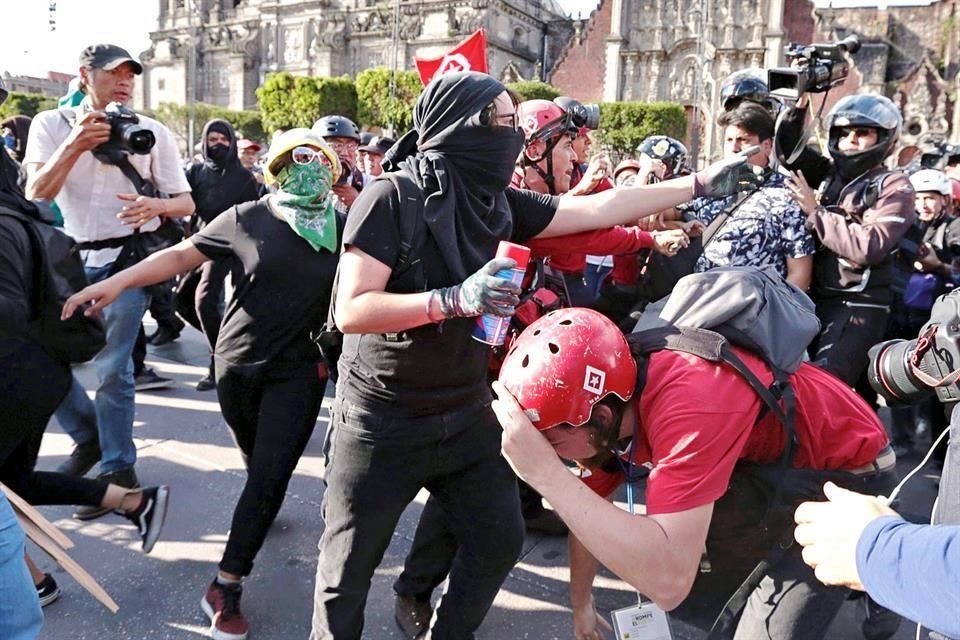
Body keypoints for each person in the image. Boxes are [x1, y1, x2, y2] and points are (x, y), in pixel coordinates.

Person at [310, 70, 763, 640]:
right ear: (462, 127)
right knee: (345, 575)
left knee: (498, 540)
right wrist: (452, 299)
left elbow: (601, 210)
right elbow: (351, 310)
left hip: (467, 408)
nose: (512, 139)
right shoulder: (391, 197)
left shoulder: (498, 202)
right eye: (501, 123)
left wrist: (698, 183)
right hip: (381, 418)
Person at [63, 129, 343, 640]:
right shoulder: (247, 217)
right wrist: (115, 282)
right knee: (256, 459)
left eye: (319, 161)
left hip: (298, 372)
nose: (308, 171)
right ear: (276, 169)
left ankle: (225, 583)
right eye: (295, 161)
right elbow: (178, 258)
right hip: (236, 367)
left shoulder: (345, 229)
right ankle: (256, 497)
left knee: (269, 477)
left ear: (334, 172)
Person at [493, 307, 897, 640]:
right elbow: (586, 509)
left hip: (845, 471)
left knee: (762, 626)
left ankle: (883, 580)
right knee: (723, 604)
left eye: (552, 444)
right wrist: (582, 604)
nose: (550, 456)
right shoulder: (614, 404)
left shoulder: (691, 402)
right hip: (764, 462)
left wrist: (545, 475)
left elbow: (668, 581)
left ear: (599, 418)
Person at [22, 44, 194, 506]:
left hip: (126, 261)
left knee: (113, 368)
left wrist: (157, 206)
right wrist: (75, 142)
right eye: (114, 73)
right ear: (85, 75)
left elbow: (186, 202)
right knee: (40, 356)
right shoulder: (49, 125)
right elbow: (36, 193)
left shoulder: (150, 131)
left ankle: (118, 467)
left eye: (130, 75)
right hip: (63, 264)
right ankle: (87, 434)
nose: (124, 81)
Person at [0, 130, 170, 585]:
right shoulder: (31, 221)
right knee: (14, 483)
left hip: (14, 376)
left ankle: (27, 585)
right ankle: (134, 503)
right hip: (41, 374)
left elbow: (6, 313)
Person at [784, 94, 915, 387]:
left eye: (862, 133)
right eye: (844, 133)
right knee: (786, 377)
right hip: (813, 298)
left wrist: (816, 212)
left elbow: (869, 246)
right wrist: (800, 101)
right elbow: (789, 152)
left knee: (824, 386)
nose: (851, 139)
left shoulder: (895, 185)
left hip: (858, 303)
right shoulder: (831, 174)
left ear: (884, 138)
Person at [681, 102, 814, 290]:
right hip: (697, 303)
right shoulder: (709, 184)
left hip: (754, 311)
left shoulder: (787, 195)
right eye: (729, 140)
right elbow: (673, 214)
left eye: (743, 140)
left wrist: (771, 314)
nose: (734, 148)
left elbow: (800, 273)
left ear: (766, 145)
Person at [885, 168, 960, 458]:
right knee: (901, 379)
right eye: (919, 198)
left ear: (945, 201)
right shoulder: (902, 225)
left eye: (931, 198)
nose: (924, 205)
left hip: (940, 323)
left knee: (940, 388)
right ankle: (903, 440)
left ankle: (940, 453)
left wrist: (938, 266)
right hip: (901, 314)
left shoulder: (954, 228)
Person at [185, 119, 260, 391]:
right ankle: (224, 347)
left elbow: (253, 216)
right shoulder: (195, 172)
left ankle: (223, 363)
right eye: (212, 139)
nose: (218, 144)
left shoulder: (245, 178)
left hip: (235, 246)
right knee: (188, 301)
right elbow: (188, 208)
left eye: (223, 139)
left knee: (216, 301)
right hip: (200, 245)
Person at [312, 115, 368, 211]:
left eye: (351, 146)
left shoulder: (368, 184)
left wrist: (358, 202)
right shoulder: (302, 182)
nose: (345, 153)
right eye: (337, 146)